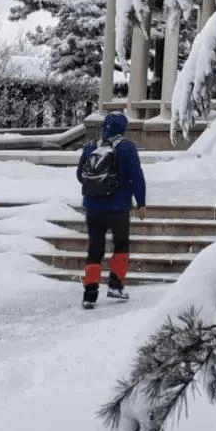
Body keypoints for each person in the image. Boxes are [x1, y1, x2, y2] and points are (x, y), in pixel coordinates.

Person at [75, 112, 146, 310]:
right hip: (119, 206)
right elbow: (137, 177)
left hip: (93, 206)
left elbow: (81, 175)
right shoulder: (127, 147)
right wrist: (140, 202)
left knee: (94, 249)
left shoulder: (90, 146)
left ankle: (90, 294)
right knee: (121, 245)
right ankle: (116, 284)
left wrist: (96, 188)